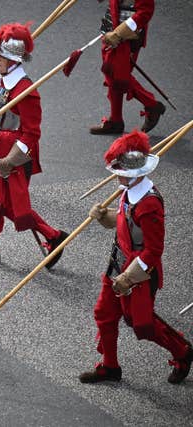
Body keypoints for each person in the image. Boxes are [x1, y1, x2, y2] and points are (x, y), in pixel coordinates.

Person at [80, 130, 192, 384]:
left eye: (120, 171)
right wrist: (103, 215)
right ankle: (110, 366)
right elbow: (122, 222)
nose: (116, 175)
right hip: (118, 263)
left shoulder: (150, 203)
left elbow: (153, 250)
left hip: (139, 270)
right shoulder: (128, 192)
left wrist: (128, 278)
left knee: (141, 324)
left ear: (133, 174)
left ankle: (182, 350)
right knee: (104, 313)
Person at [0, 23, 67, 268]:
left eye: (2, 56)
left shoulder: (26, 91)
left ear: (14, 61)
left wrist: (10, 160)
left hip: (13, 154)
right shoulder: (1, 78)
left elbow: (31, 134)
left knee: (8, 205)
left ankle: (52, 235)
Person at [89, 0, 165, 135]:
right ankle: (116, 120)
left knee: (118, 76)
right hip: (111, 29)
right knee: (113, 75)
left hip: (126, 36)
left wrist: (118, 33)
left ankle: (151, 105)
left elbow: (145, 12)